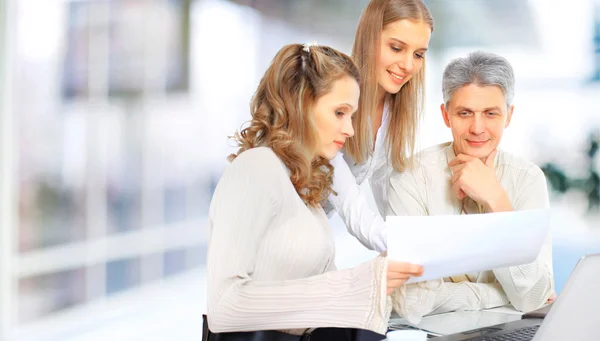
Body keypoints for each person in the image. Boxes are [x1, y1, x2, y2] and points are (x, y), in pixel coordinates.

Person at [205, 43, 424, 340]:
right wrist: (359, 282)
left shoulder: (301, 186)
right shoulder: (255, 169)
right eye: (340, 113)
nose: (349, 129)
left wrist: (377, 279)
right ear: (301, 104)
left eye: (352, 116)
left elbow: (312, 290)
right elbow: (224, 306)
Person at [387, 51, 555, 319]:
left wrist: (497, 201)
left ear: (508, 116)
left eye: (491, 113)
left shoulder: (527, 178)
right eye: (465, 113)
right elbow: (410, 300)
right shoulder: (409, 176)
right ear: (446, 115)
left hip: (508, 332)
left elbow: (534, 297)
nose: (478, 128)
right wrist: (501, 295)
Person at [326, 0, 433, 254]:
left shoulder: (392, 112)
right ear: (369, 39)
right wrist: (423, 248)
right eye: (397, 48)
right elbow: (354, 212)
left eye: (418, 54)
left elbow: (390, 198)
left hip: (312, 238)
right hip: (273, 234)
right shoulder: (332, 99)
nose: (408, 65)